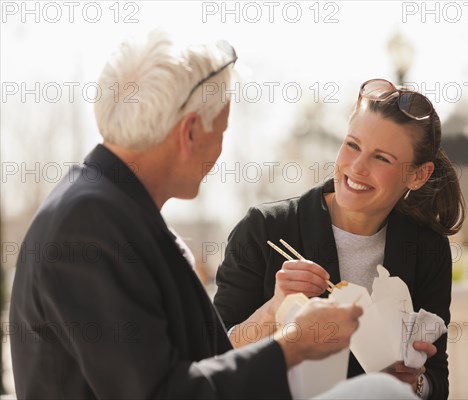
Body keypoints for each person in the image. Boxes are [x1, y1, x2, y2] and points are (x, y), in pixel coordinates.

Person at [9, 32, 418, 399]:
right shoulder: (89, 224)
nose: (220, 151)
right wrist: (292, 345)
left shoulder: (107, 209)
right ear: (189, 133)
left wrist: (278, 315)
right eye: (220, 132)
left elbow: (197, 366)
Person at [214, 78, 465, 399]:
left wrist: (415, 383)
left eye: (382, 158)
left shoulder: (426, 247)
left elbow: (437, 381)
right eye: (352, 145)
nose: (357, 168)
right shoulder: (265, 230)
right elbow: (213, 359)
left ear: (418, 175)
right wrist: (272, 311)